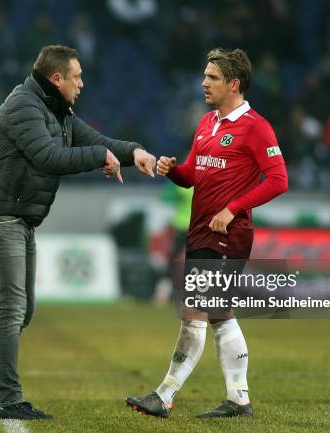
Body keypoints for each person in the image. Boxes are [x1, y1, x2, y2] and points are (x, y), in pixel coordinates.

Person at [0, 45, 156, 420]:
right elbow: (48, 156)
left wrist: (134, 153)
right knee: (12, 308)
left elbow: (94, 140)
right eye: (77, 77)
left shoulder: (56, 108)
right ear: (56, 79)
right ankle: (7, 398)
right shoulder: (24, 105)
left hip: (18, 217)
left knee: (22, 311)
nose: (82, 84)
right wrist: (98, 158)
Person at [126, 47, 288, 418]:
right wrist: (173, 170)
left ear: (234, 84)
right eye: (205, 75)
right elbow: (194, 175)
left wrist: (233, 208)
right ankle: (239, 399)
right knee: (218, 315)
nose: (203, 83)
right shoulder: (206, 123)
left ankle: (164, 395)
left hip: (227, 236)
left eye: (212, 77)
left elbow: (279, 180)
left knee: (194, 312)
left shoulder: (256, 127)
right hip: (200, 232)